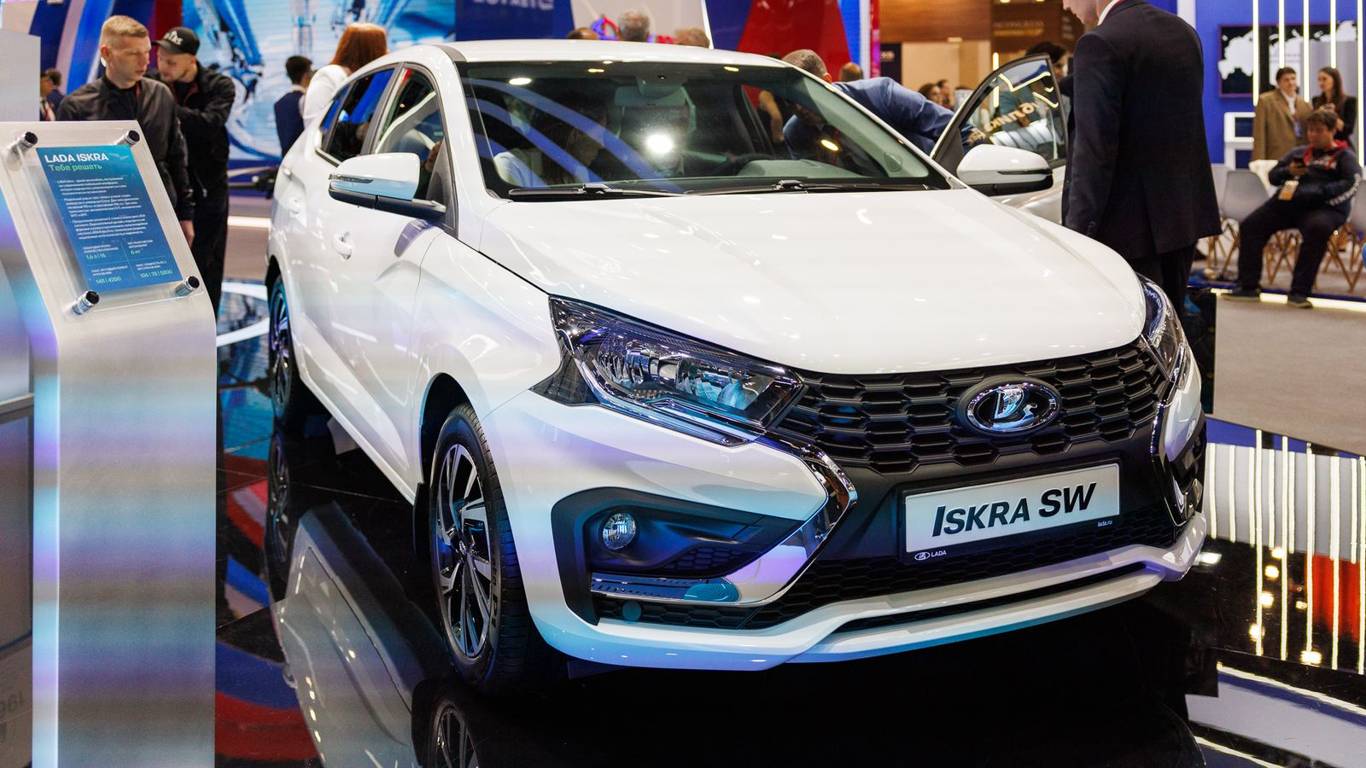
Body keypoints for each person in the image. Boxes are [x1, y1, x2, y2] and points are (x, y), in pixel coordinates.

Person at [1061, 0, 1220, 310]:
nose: (1065, 6)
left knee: (1128, 328)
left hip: (1126, 229)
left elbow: (1094, 152)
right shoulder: (1183, 32)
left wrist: (1077, 236)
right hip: (1181, 219)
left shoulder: (1099, 43)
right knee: (1170, 323)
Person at [58, 16, 195, 248]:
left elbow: (176, 157)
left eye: (147, 51)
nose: (145, 60)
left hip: (160, 212)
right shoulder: (77, 107)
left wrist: (185, 214)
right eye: (133, 53)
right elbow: (65, 177)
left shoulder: (161, 95)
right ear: (107, 53)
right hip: (104, 222)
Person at [1229, 109, 1360, 308]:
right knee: (1251, 225)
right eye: (1310, 130)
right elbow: (1273, 176)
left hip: (1325, 208)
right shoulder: (1299, 153)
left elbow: (1351, 184)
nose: (1313, 135)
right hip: (1290, 204)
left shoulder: (1345, 156)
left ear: (1332, 131)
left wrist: (1319, 193)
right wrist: (1288, 171)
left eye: (1319, 130)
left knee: (1317, 229)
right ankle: (1248, 287)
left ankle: (1299, 292)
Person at [152, 26, 237, 317]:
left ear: (191, 60)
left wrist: (166, 108)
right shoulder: (152, 83)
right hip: (166, 184)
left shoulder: (219, 85)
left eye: (171, 61)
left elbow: (209, 123)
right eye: (160, 59)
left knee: (206, 259)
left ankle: (206, 321)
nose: (163, 66)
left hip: (207, 186)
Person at [782, 49, 956, 154]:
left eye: (803, 95)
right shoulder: (795, 133)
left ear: (827, 81)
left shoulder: (883, 95)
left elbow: (953, 127)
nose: (798, 108)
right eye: (790, 100)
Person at [303, 22, 387, 126]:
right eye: (382, 47)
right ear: (372, 51)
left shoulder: (372, 80)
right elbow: (314, 123)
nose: (386, 52)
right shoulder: (330, 75)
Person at [1254, 67, 1312, 162]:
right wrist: (1258, 160)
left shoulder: (1305, 104)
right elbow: (1259, 133)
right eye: (1286, 80)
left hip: (1299, 157)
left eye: (1293, 78)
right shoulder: (1266, 101)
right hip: (1276, 155)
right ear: (1278, 83)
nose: (1291, 82)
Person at [275, 55, 312, 156]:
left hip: (286, 158)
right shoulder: (305, 100)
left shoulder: (279, 102)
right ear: (306, 75)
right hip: (302, 157)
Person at [1312, 66, 1357, 148]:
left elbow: (1348, 130)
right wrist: (1319, 113)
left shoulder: (1349, 101)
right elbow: (1312, 126)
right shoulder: (1316, 101)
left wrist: (1332, 117)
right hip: (1320, 145)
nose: (1321, 83)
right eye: (1319, 80)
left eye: (1324, 79)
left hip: (1341, 145)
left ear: (1335, 80)